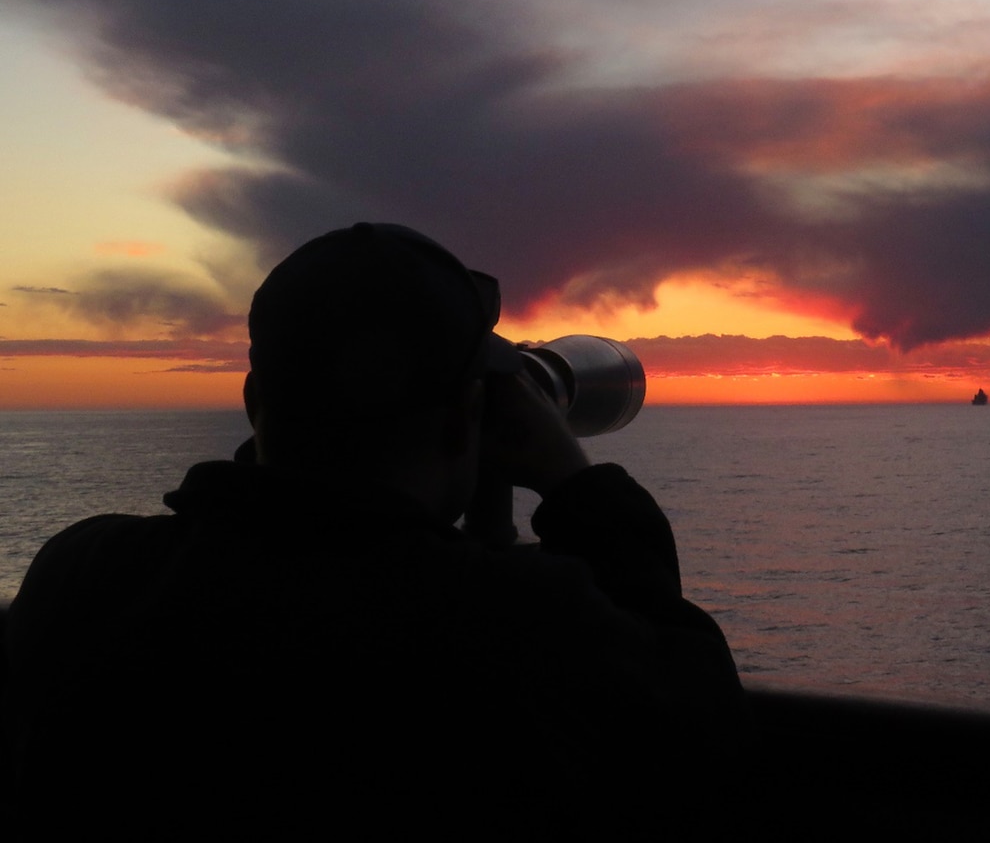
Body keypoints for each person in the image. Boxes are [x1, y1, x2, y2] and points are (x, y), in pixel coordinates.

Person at [3, 223, 746, 837]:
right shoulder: (510, 625)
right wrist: (573, 479)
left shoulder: (85, 572)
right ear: (467, 419)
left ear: (255, 397)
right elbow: (693, 732)